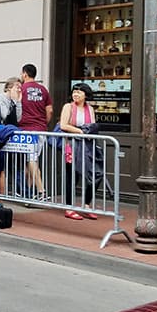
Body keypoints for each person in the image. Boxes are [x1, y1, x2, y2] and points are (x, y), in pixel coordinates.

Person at [59, 83, 100, 220]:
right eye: (74, 92)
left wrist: (87, 132)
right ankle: (69, 207)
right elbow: (63, 125)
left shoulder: (90, 109)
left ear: (86, 95)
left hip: (87, 146)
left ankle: (87, 205)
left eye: (79, 92)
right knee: (73, 175)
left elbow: (92, 125)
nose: (75, 94)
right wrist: (80, 131)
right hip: (72, 144)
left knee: (95, 174)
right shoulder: (68, 107)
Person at [20, 63, 53, 200]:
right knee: (32, 160)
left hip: (25, 129)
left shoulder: (22, 89)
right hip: (40, 129)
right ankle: (28, 192)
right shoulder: (43, 90)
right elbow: (50, 110)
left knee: (31, 160)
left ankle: (41, 190)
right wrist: (44, 123)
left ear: (25, 74)